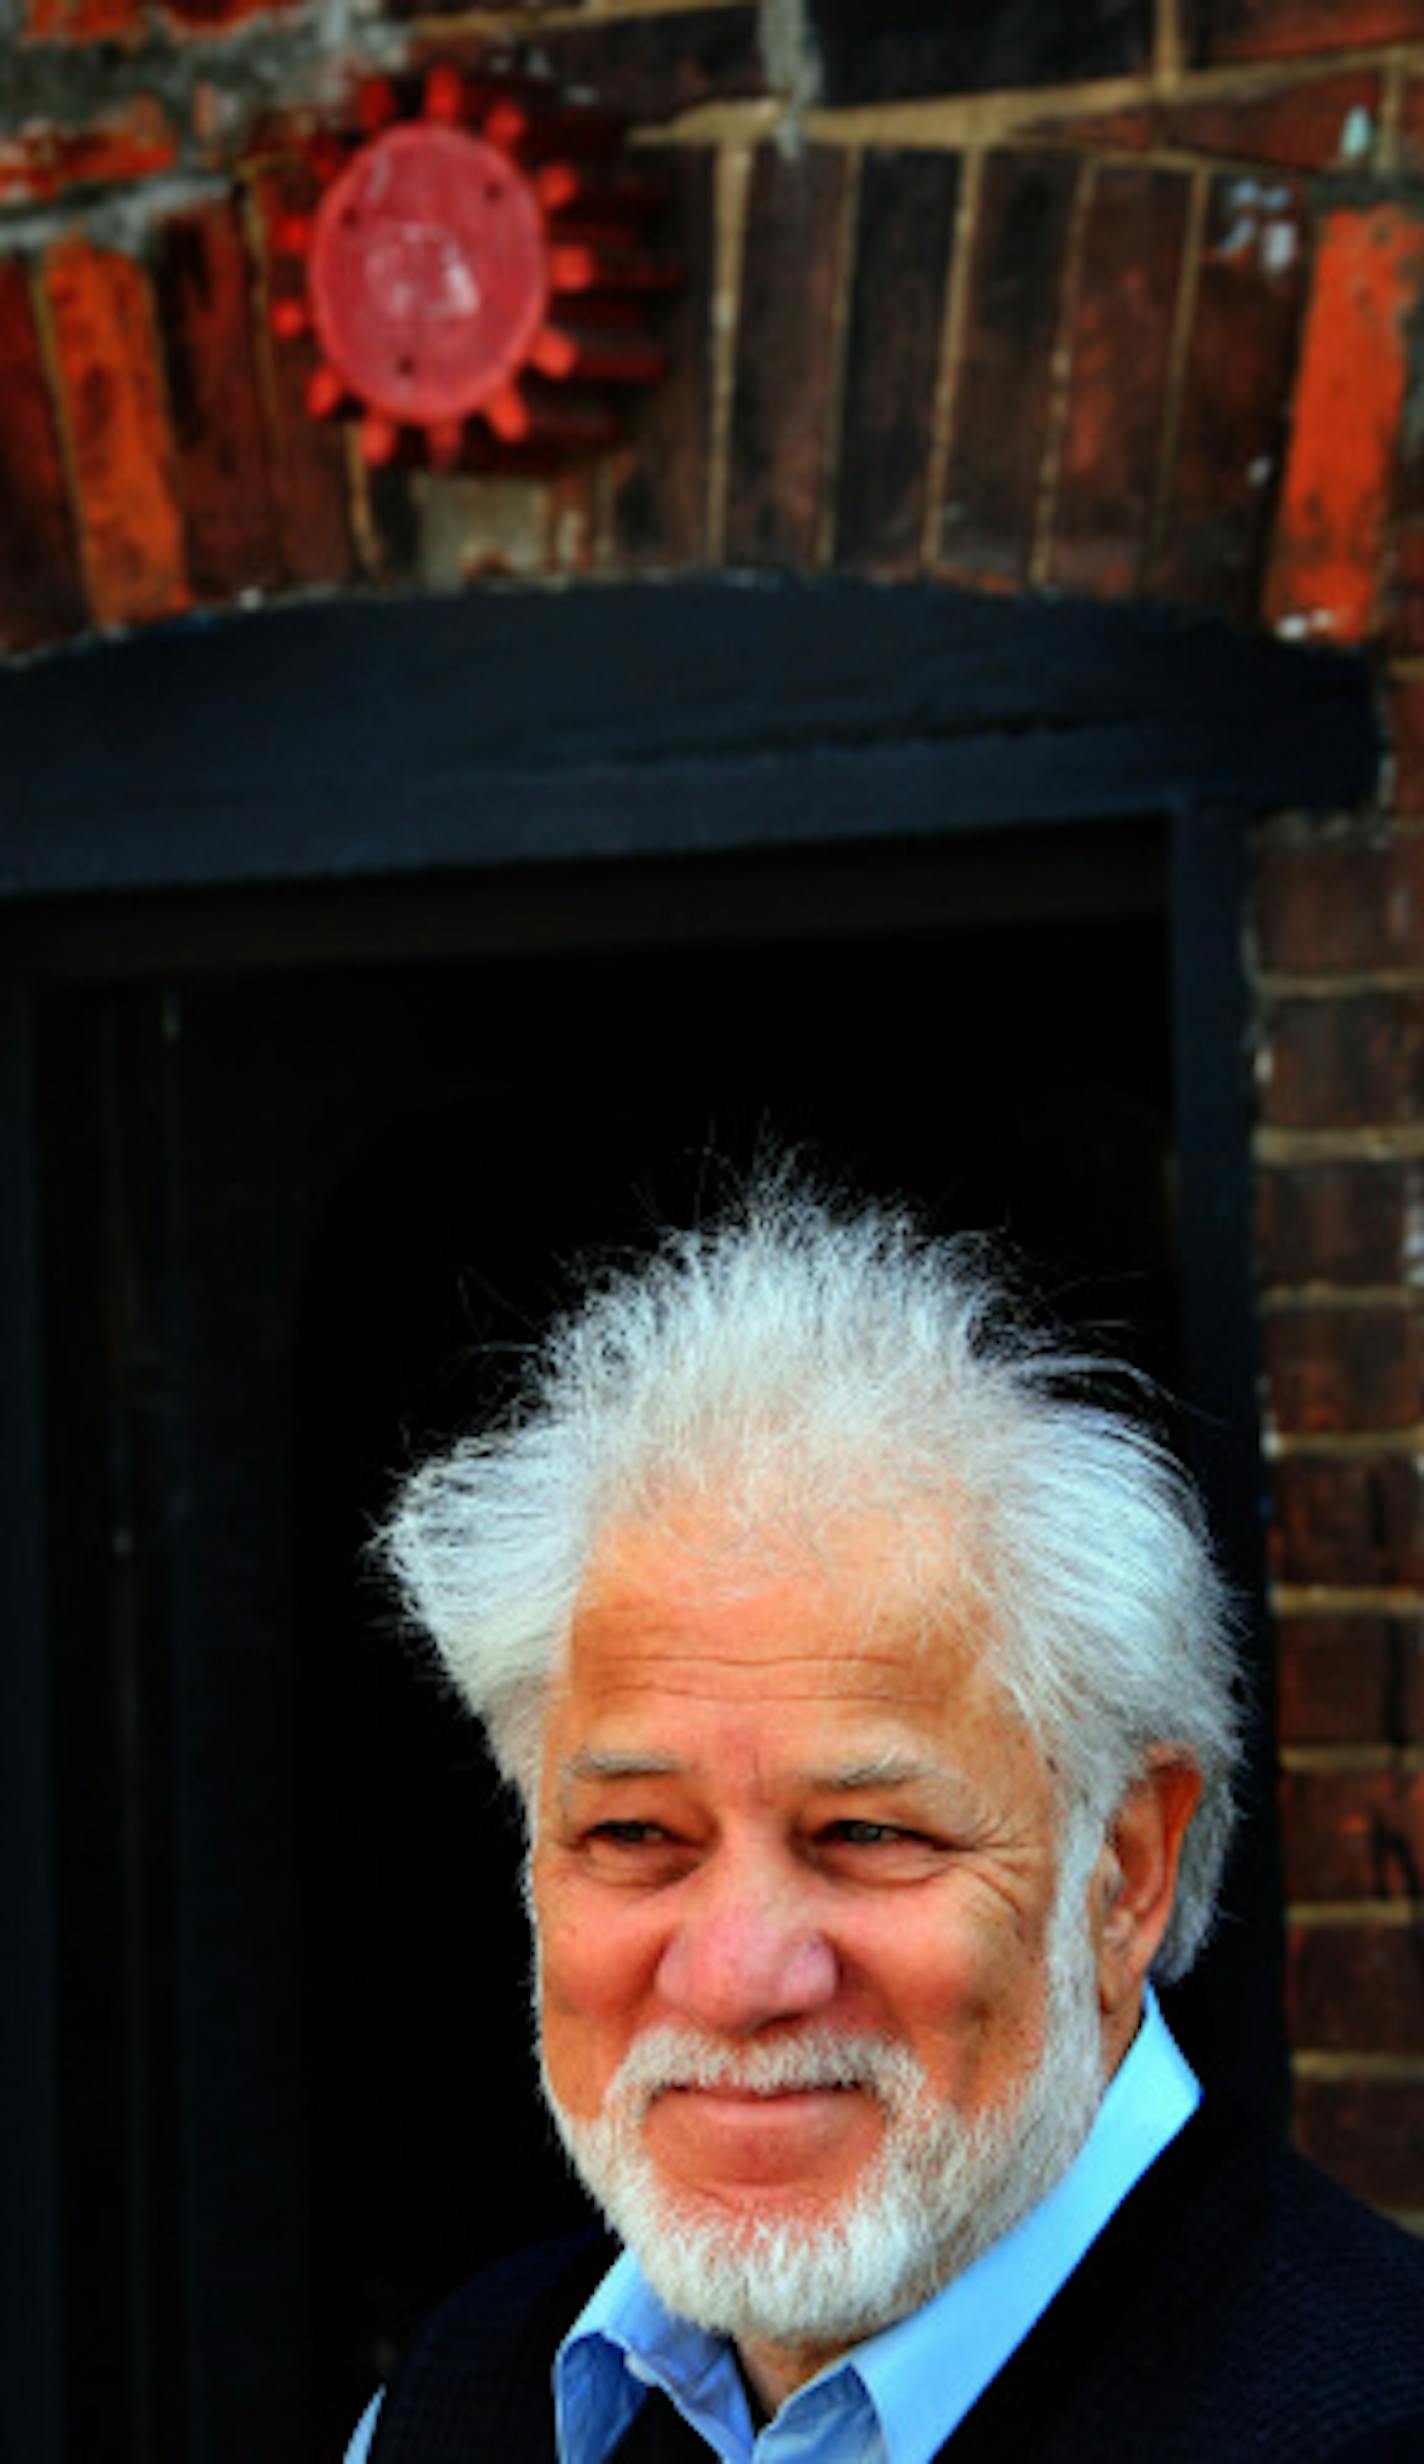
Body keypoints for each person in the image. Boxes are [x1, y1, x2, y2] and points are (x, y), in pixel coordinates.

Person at [346, 1178, 1424, 2461]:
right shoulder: (457, 2405)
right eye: (636, 1836)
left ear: (1123, 1872)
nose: (739, 1976)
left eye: (866, 1835)